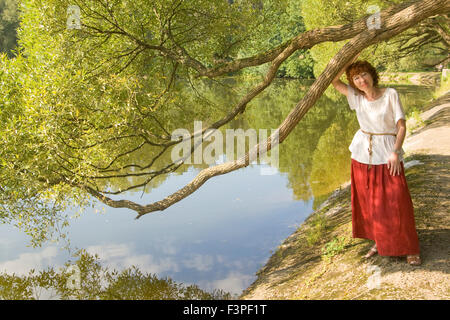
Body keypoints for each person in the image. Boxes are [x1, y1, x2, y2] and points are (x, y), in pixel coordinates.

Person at [331, 53, 421, 266]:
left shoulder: (390, 94)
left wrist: (395, 152)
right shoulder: (356, 97)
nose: (361, 81)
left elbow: (401, 126)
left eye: (364, 75)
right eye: (356, 78)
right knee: (369, 201)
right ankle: (379, 241)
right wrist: (351, 56)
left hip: (387, 152)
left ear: (372, 75)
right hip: (362, 153)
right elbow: (334, 80)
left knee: (397, 200)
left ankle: (409, 247)